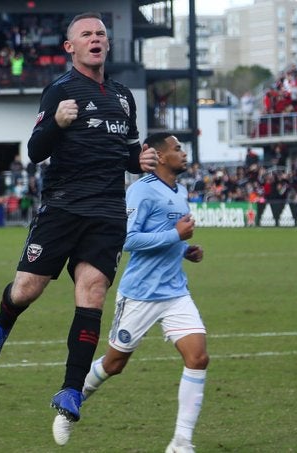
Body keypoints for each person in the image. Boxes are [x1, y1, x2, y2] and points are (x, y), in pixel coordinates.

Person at [0, 11, 158, 432]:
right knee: (26, 290)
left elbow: (126, 153)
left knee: (91, 292)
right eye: (86, 34)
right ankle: (5, 320)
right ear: (70, 47)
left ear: (106, 45)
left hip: (108, 211)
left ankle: (71, 390)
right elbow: (35, 151)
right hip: (62, 207)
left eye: (100, 34)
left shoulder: (123, 96)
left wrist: (142, 159)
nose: (95, 38)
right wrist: (56, 124)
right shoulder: (58, 92)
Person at [51, 133, 207, 452]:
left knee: (198, 357)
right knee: (114, 364)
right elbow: (127, 239)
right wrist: (174, 234)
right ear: (160, 156)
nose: (183, 153)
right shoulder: (140, 191)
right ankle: (69, 405)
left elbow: (166, 238)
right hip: (140, 294)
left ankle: (181, 442)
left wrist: (184, 248)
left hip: (175, 292)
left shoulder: (180, 190)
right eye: (177, 148)